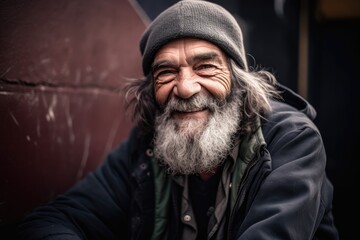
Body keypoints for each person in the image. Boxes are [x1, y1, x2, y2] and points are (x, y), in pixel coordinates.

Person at [17, 0, 339, 239]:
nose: (184, 88)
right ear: (150, 90)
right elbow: (52, 222)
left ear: (239, 81)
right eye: (166, 72)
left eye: (206, 67)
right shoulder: (146, 148)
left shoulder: (292, 141)